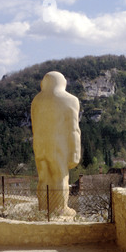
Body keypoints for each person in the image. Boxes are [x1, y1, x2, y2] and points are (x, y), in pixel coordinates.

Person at [31, 71, 81, 217]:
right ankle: (60, 209)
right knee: (60, 176)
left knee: (44, 176)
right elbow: (73, 128)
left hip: (40, 144)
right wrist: (75, 152)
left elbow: (34, 125)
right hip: (58, 144)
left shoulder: (36, 100)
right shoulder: (70, 100)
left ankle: (43, 208)